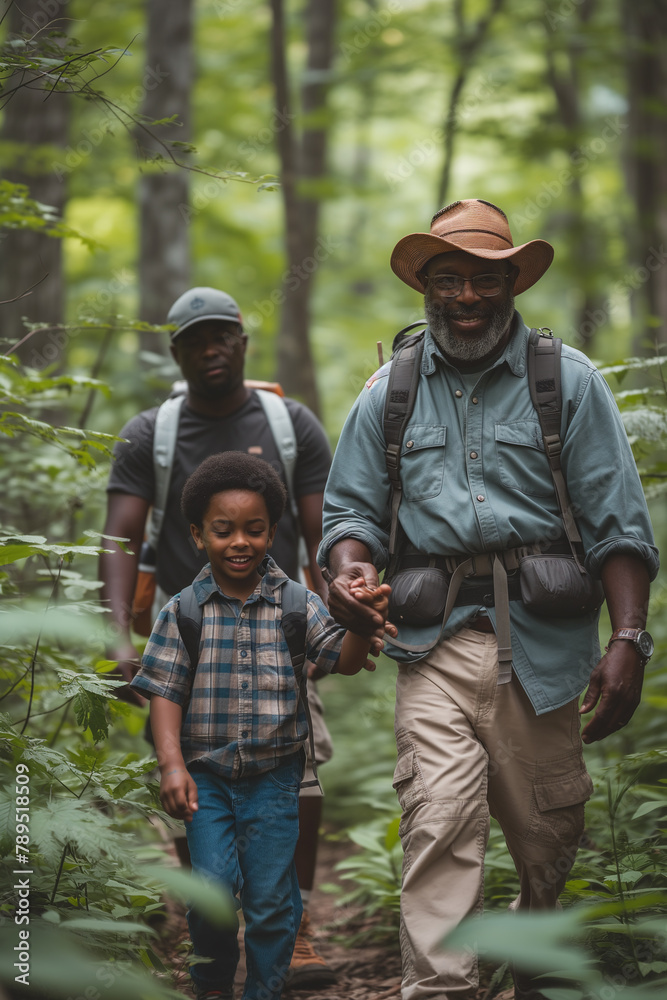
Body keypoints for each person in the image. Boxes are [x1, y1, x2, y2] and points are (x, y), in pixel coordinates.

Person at [317, 199, 659, 999]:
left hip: (545, 648)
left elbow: (620, 526)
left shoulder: (565, 382)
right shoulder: (388, 391)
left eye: (482, 278)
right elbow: (349, 515)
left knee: (547, 840)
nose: (464, 295)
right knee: (438, 819)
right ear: (423, 288)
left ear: (510, 283)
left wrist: (628, 641)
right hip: (430, 643)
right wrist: (348, 571)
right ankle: (441, 988)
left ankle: (530, 968)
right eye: (447, 278)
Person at [100, 286, 337, 984]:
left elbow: (324, 531)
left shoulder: (291, 424)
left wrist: (328, 614)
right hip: (190, 625)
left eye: (221, 336)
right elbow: (119, 534)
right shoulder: (150, 433)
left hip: (279, 623)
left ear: (242, 340)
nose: (210, 350)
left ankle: (289, 922)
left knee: (301, 779)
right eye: (194, 340)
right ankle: (210, 919)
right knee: (186, 780)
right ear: (175, 352)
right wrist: (121, 638)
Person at [130, 453, 394, 1000]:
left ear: (273, 533)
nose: (239, 542)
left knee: (273, 899)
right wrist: (171, 765)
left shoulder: (299, 604)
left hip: (276, 780)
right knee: (212, 892)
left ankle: (265, 991)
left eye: (254, 530)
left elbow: (340, 661)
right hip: (206, 780)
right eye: (222, 531)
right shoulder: (183, 612)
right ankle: (212, 986)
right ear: (198, 535)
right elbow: (163, 692)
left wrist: (360, 624)